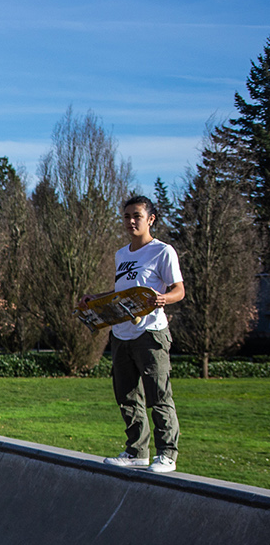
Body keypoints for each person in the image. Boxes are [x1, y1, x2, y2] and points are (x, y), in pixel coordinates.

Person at [81, 194, 185, 474]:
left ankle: (167, 454)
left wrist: (163, 299)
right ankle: (136, 451)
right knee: (126, 395)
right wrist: (96, 298)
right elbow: (120, 294)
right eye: (127, 216)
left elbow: (179, 289)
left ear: (150, 219)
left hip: (150, 333)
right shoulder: (122, 254)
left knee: (158, 394)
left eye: (136, 216)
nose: (130, 221)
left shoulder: (163, 251)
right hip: (121, 334)